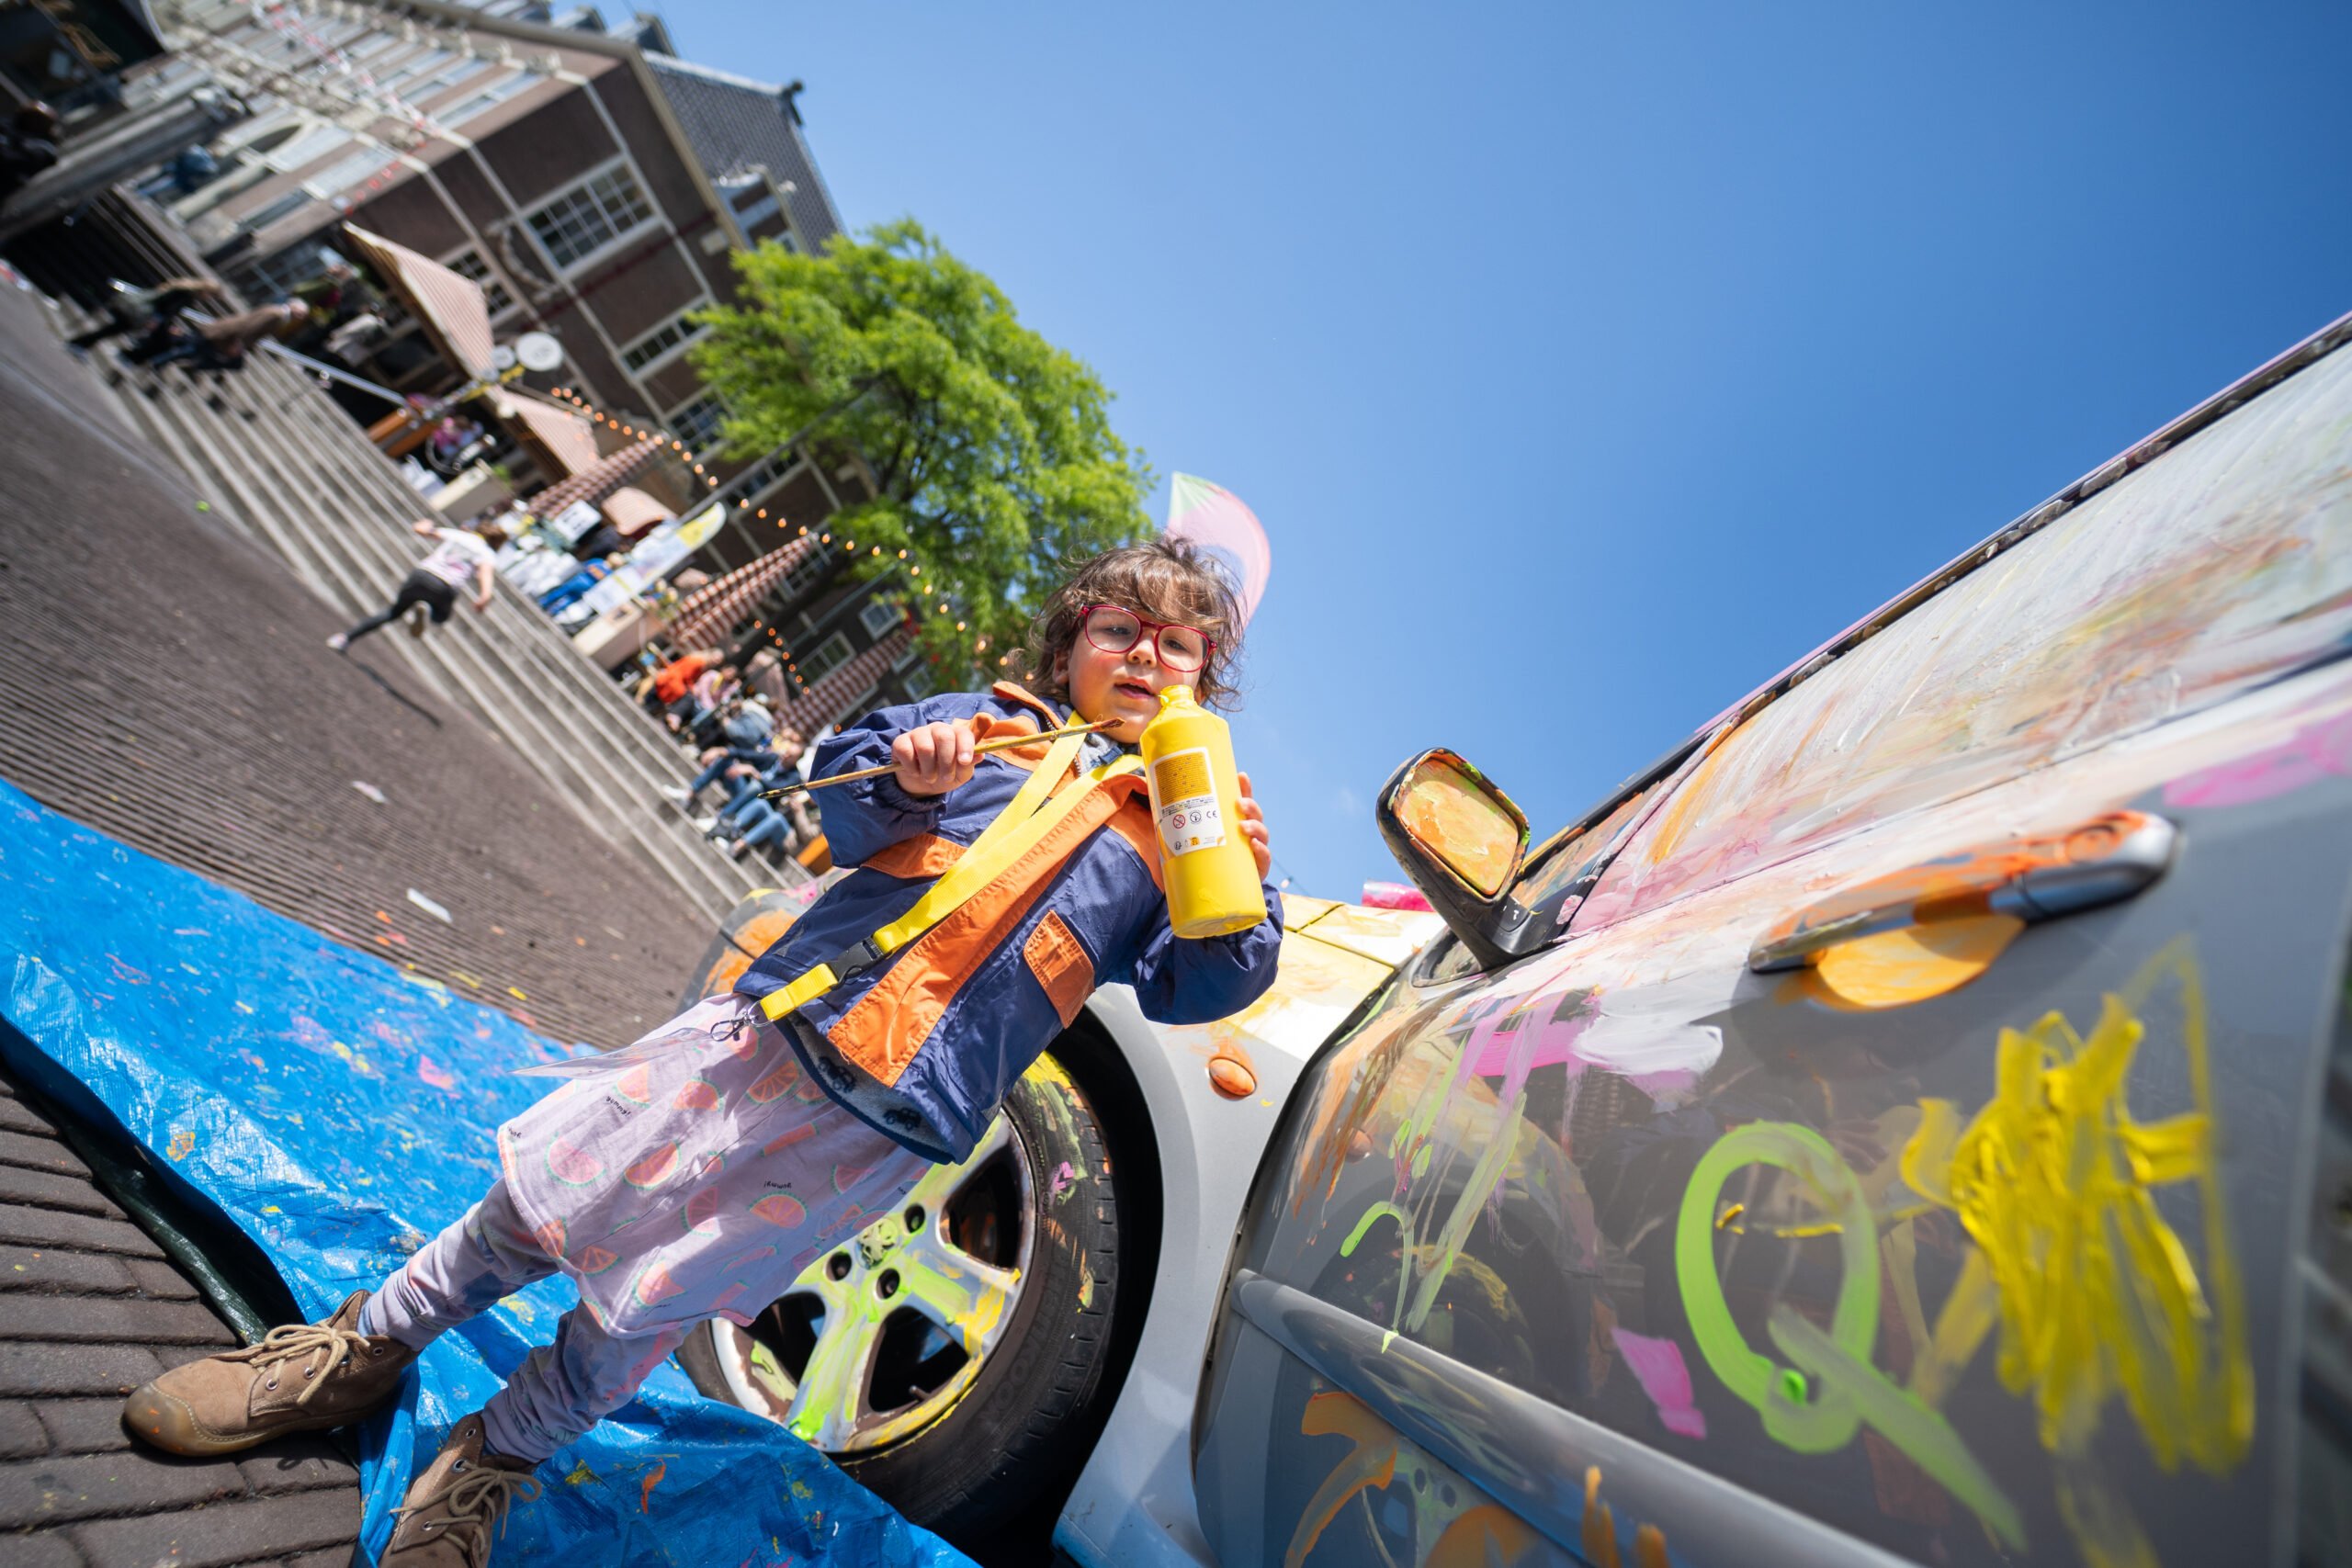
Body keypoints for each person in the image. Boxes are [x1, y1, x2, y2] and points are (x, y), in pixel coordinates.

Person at [119, 540, 1281, 1566]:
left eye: (1178, 646)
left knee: (656, 1303)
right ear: (1069, 646)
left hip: (886, 1126)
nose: (1146, 655)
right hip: (764, 1037)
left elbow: (1199, 985)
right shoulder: (990, 727)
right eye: (1119, 628)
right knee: (542, 1205)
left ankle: (493, 1458)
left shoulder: (1180, 837)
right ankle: (360, 1348)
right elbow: (847, 802)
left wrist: (1245, 898)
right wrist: (907, 770)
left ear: (1202, 683)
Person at [327, 519, 509, 650]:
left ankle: (343, 638)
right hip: (445, 586)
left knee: (393, 612)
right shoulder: (487, 554)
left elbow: (420, 529)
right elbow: (485, 575)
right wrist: (484, 597)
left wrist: (425, 523)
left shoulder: (458, 535)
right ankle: (429, 612)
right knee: (441, 616)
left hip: (422, 575)